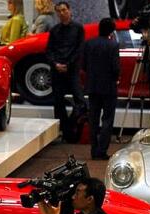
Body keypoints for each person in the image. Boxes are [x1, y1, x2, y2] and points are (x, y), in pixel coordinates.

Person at [46, 1, 86, 138]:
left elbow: (79, 49)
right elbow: (49, 50)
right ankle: (63, 130)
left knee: (80, 100)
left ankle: (72, 124)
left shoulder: (78, 28)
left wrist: (68, 64)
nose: (62, 13)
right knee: (58, 101)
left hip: (72, 69)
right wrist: (55, 64)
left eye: (64, 10)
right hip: (57, 69)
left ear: (69, 10)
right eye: (59, 11)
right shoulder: (54, 30)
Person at [82, 18, 120, 160]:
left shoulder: (89, 43)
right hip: (109, 86)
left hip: (93, 85)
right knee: (107, 119)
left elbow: (83, 64)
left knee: (93, 118)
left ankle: (94, 149)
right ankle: (102, 150)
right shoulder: (113, 45)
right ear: (111, 30)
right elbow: (115, 67)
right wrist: (116, 78)